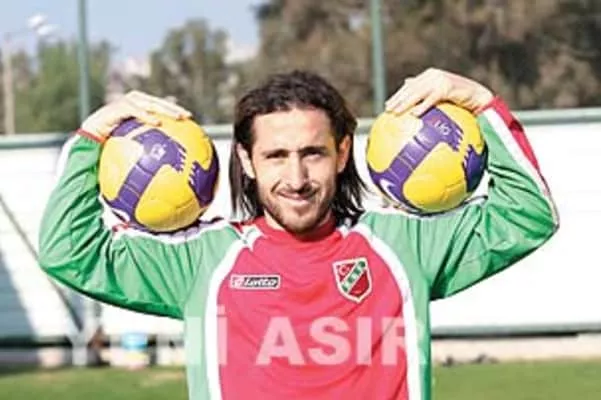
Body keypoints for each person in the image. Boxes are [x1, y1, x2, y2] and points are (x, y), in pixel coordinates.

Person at [38, 68, 559, 400]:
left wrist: (478, 100)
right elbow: (69, 251)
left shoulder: (404, 246)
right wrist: (92, 137)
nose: (296, 177)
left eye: (312, 153)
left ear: (342, 153)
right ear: (247, 161)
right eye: (276, 156)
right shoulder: (203, 261)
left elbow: (529, 213)